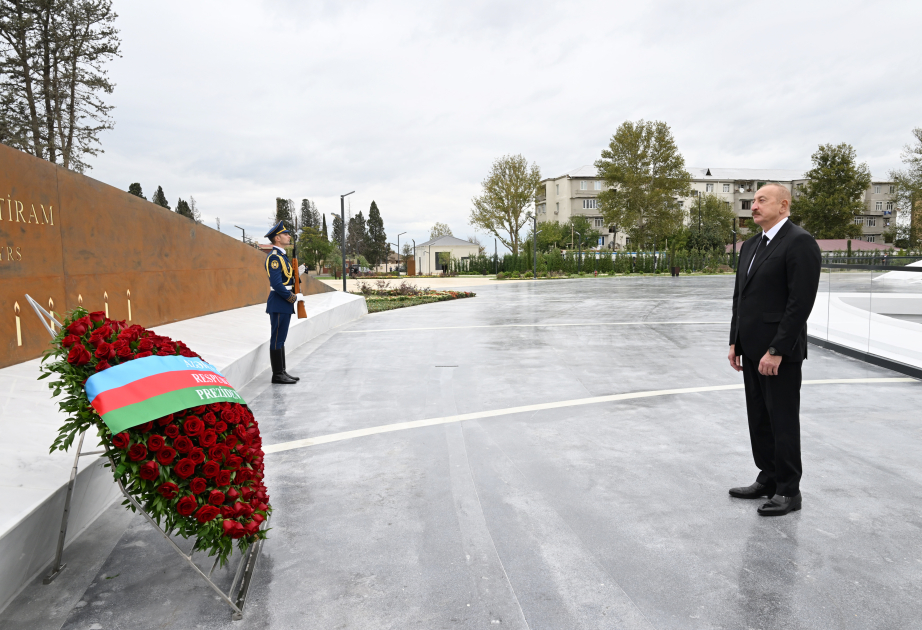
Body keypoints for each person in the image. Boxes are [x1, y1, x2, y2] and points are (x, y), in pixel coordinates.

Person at [727, 183, 821, 516]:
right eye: (753, 201)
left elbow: (800, 303)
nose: (754, 206)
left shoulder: (799, 242)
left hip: (779, 353)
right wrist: (734, 340)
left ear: (783, 206)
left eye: (761, 200)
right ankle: (767, 477)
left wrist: (778, 349)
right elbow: (741, 297)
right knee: (760, 418)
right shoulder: (750, 246)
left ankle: (788, 490)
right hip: (751, 348)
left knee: (782, 420)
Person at [265, 222, 304, 385]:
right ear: (277, 238)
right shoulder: (274, 257)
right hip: (279, 302)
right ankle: (277, 374)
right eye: (285, 234)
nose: (289, 236)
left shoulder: (282, 257)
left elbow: (287, 278)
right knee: (276, 339)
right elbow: (276, 284)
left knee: (281, 339)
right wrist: (293, 298)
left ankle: (282, 371)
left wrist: (298, 274)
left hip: (283, 303)